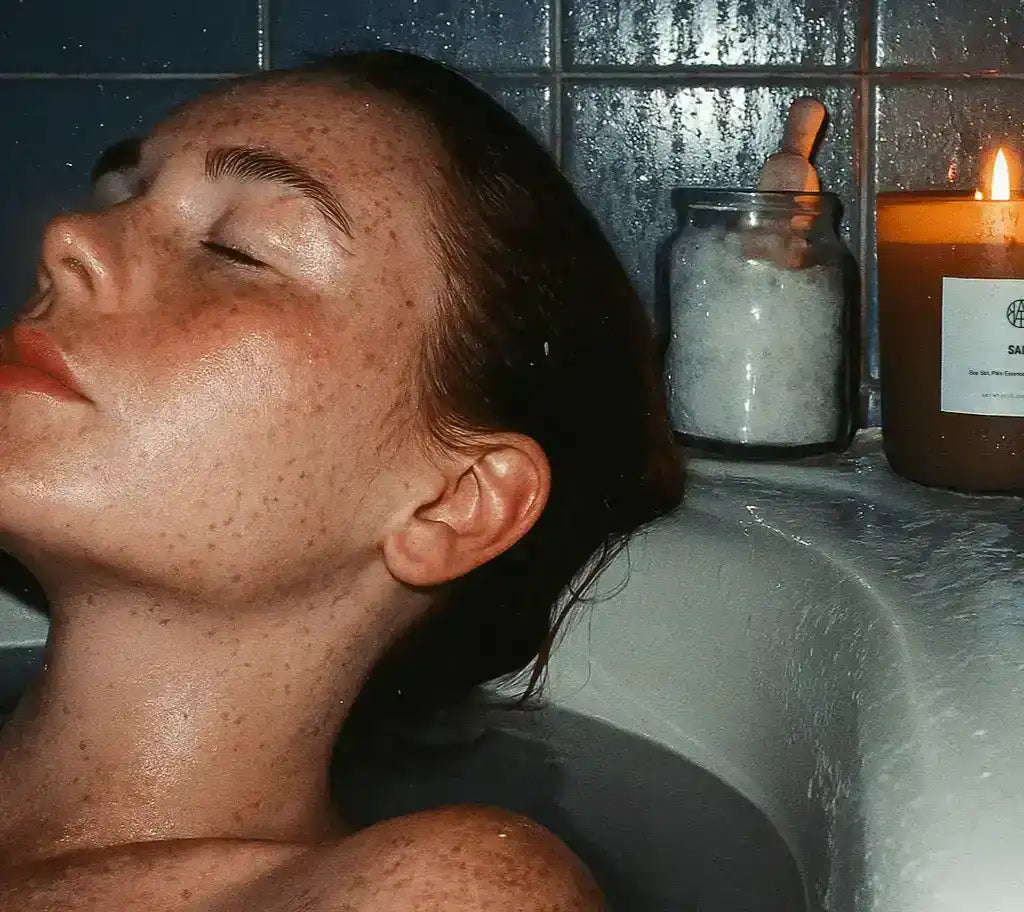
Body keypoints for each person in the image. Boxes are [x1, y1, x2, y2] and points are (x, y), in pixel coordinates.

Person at [0, 50, 683, 910]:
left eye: (236, 249)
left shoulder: (439, 893)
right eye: (117, 197)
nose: (70, 237)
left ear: (452, 504)